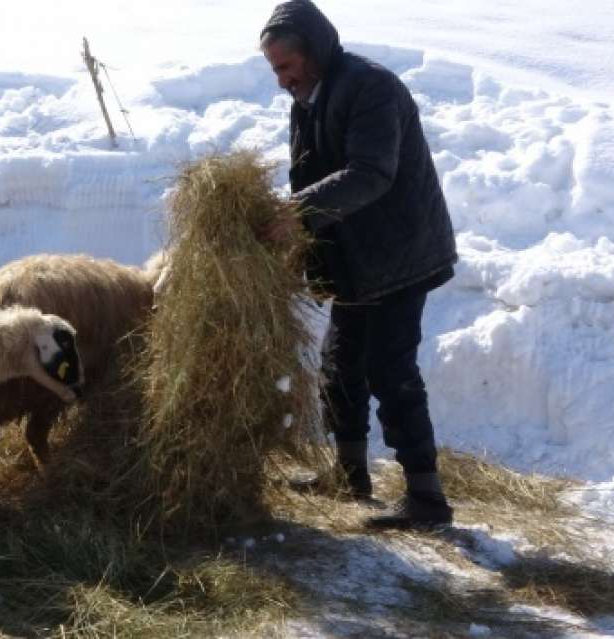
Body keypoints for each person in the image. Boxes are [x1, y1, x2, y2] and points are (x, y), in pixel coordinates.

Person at [259, 0, 458, 529]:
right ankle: (349, 478)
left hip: (399, 253)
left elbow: (371, 173)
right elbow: (312, 176)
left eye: (286, 66)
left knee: (390, 371)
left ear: (314, 50)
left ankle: (426, 499)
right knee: (339, 365)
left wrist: (298, 215)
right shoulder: (308, 97)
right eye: (274, 69)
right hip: (355, 259)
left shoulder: (371, 87)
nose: (281, 79)